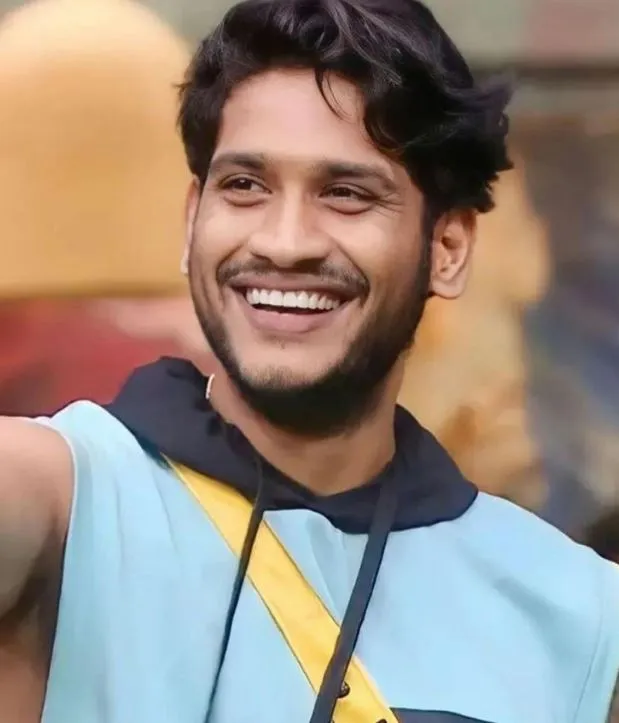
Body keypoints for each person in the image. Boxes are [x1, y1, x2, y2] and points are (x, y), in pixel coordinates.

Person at [1, 1, 618, 722]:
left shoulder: (575, 612)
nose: (284, 241)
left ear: (446, 249)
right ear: (192, 220)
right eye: (245, 186)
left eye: (346, 194)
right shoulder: (65, 498)